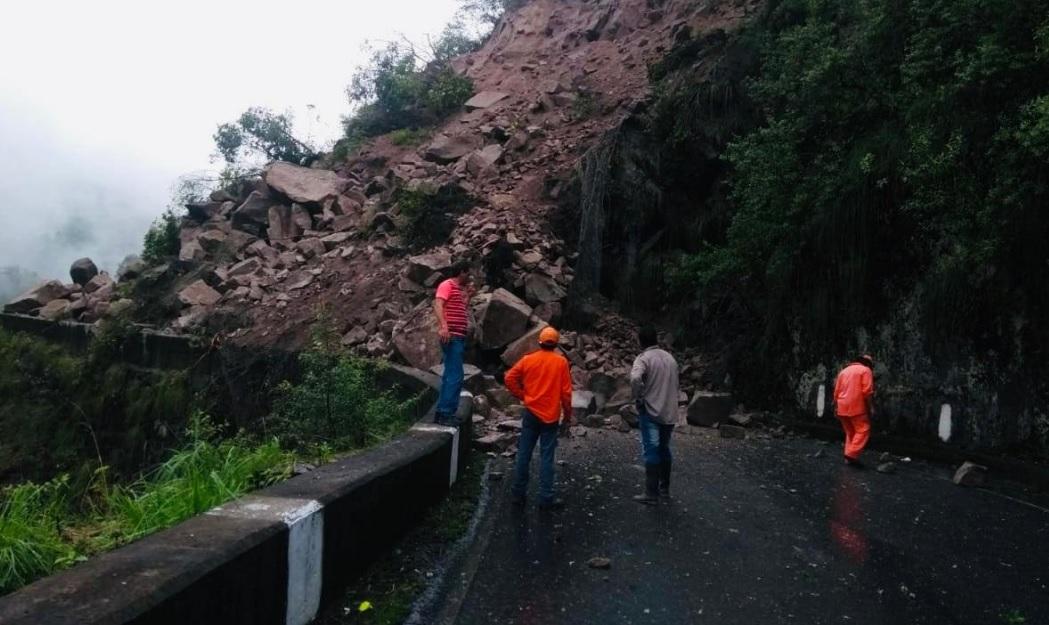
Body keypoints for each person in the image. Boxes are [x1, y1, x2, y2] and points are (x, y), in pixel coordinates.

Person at [505, 326, 574, 510]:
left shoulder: (528, 360)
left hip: (530, 413)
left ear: (540, 342)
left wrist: (523, 396)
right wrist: (567, 416)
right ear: (556, 344)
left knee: (524, 454)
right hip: (550, 417)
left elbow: (509, 378)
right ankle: (546, 497)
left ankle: (518, 495)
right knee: (546, 457)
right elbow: (566, 394)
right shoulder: (561, 363)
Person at [630, 325, 680, 505]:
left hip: (651, 411)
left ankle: (651, 494)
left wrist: (638, 397)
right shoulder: (670, 358)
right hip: (670, 411)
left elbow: (635, 378)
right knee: (664, 449)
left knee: (651, 449)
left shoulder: (643, 358)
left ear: (641, 341)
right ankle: (664, 490)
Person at [433, 261, 473, 426]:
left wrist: (468, 296)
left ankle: (443, 411)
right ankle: (445, 413)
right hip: (452, 336)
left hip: (457, 336)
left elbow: (460, 309)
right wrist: (444, 327)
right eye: (467, 273)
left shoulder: (457, 289)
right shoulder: (447, 285)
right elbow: (438, 304)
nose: (469, 277)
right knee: (455, 375)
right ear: (461, 272)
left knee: (450, 374)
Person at [833, 354, 875, 467]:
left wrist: (836, 407)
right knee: (863, 429)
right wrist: (871, 407)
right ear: (868, 364)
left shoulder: (844, 371)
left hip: (842, 405)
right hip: (856, 406)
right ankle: (851, 454)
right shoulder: (865, 370)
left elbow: (836, 391)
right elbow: (867, 391)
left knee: (850, 431)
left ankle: (849, 457)